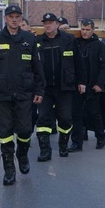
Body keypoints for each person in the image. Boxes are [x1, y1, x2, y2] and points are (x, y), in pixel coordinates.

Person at [0, 4, 44, 185]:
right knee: (6, 132)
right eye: (11, 16)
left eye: (17, 17)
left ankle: (22, 154)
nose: (14, 19)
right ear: (6, 18)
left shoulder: (29, 39)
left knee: (25, 130)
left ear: (21, 19)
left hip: (24, 92)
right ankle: (9, 169)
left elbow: (37, 68)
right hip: (1, 94)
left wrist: (39, 90)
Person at [36, 12, 85, 159]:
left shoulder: (68, 40)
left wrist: (81, 81)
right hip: (44, 89)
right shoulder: (37, 41)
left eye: (51, 22)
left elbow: (78, 62)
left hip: (65, 87)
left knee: (65, 119)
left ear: (57, 24)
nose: (48, 25)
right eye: (45, 23)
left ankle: (63, 145)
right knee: (43, 119)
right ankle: (45, 150)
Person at [70, 19, 105, 151]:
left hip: (93, 84)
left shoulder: (99, 45)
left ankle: (100, 136)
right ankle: (77, 142)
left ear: (92, 30)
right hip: (77, 84)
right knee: (76, 114)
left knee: (93, 113)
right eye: (83, 29)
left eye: (87, 30)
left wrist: (99, 84)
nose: (85, 32)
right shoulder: (76, 43)